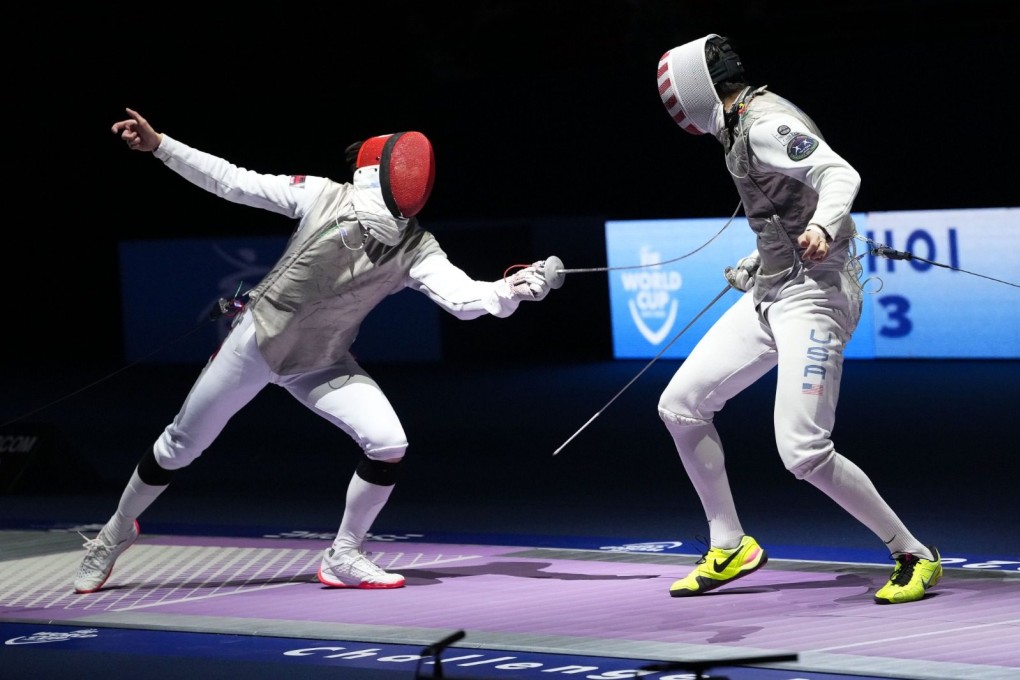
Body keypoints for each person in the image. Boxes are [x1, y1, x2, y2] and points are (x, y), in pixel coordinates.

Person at [74, 108, 561, 593]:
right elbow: (233, 181)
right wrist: (161, 145)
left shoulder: (416, 245)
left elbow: (462, 300)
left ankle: (344, 555)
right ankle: (115, 532)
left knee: (388, 443)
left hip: (323, 361)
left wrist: (509, 290)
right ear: (381, 173)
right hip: (257, 342)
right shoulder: (322, 194)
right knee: (181, 445)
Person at [654, 36, 941, 604]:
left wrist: (828, 226)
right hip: (774, 290)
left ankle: (913, 554)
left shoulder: (764, 122)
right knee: (680, 406)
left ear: (695, 91)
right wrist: (760, 259)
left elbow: (840, 175)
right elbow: (783, 207)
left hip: (815, 297)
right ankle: (730, 543)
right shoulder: (738, 127)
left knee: (803, 452)